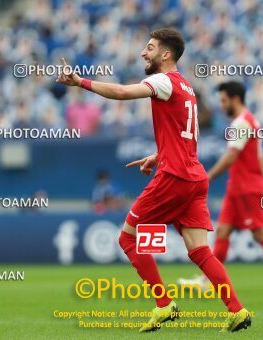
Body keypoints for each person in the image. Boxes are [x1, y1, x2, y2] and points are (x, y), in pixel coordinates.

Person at [56, 28, 251, 333]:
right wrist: (158, 154)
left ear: (166, 54)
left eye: (149, 47)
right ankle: (237, 310)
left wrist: (79, 82)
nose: (143, 53)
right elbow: (185, 136)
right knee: (200, 251)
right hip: (193, 177)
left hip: (174, 177)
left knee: (127, 237)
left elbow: (121, 93)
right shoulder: (186, 87)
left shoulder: (163, 80)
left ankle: (164, 305)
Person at [178, 81, 263, 295]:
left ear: (235, 99)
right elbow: (257, 157)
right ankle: (207, 279)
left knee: (260, 232)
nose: (221, 106)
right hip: (238, 187)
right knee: (223, 230)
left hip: (245, 188)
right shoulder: (250, 121)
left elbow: (232, 155)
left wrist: (209, 175)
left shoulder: (241, 123)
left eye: (223, 101)